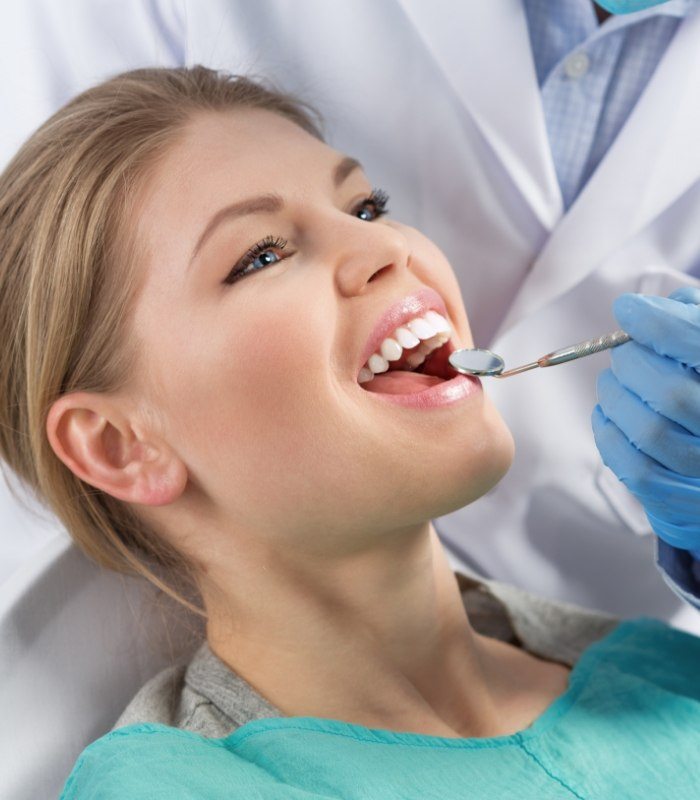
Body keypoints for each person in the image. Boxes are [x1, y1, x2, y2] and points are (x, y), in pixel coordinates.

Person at [1, 64, 699, 800]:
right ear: (120, 446)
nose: (389, 249)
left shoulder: (660, 673)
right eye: (261, 256)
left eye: (367, 208)